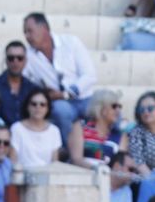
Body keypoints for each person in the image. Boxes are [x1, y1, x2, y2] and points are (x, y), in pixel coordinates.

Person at [22, 12, 98, 142]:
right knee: (60, 110)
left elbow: (90, 75)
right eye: (25, 32)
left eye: (30, 31)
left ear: (44, 28)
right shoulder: (28, 56)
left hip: (85, 97)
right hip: (60, 103)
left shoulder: (71, 42)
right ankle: (68, 151)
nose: (27, 36)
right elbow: (27, 84)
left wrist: (66, 94)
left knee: (108, 106)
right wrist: (46, 94)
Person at [69, 90, 129, 169]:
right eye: (114, 106)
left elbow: (120, 167)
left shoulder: (120, 136)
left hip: (109, 178)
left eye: (119, 107)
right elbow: (76, 159)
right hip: (82, 176)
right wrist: (97, 169)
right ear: (101, 108)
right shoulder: (80, 127)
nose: (118, 110)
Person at [10, 88, 63, 170]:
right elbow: (13, 161)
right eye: (34, 104)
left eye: (42, 104)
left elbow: (54, 164)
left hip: (46, 178)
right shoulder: (17, 128)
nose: (38, 107)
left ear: (47, 108)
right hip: (22, 178)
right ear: (27, 107)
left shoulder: (54, 131)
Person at [0, 41, 37, 130]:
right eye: (11, 58)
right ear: (6, 61)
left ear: (25, 61)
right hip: (2, 138)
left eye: (20, 58)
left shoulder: (33, 89)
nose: (15, 62)